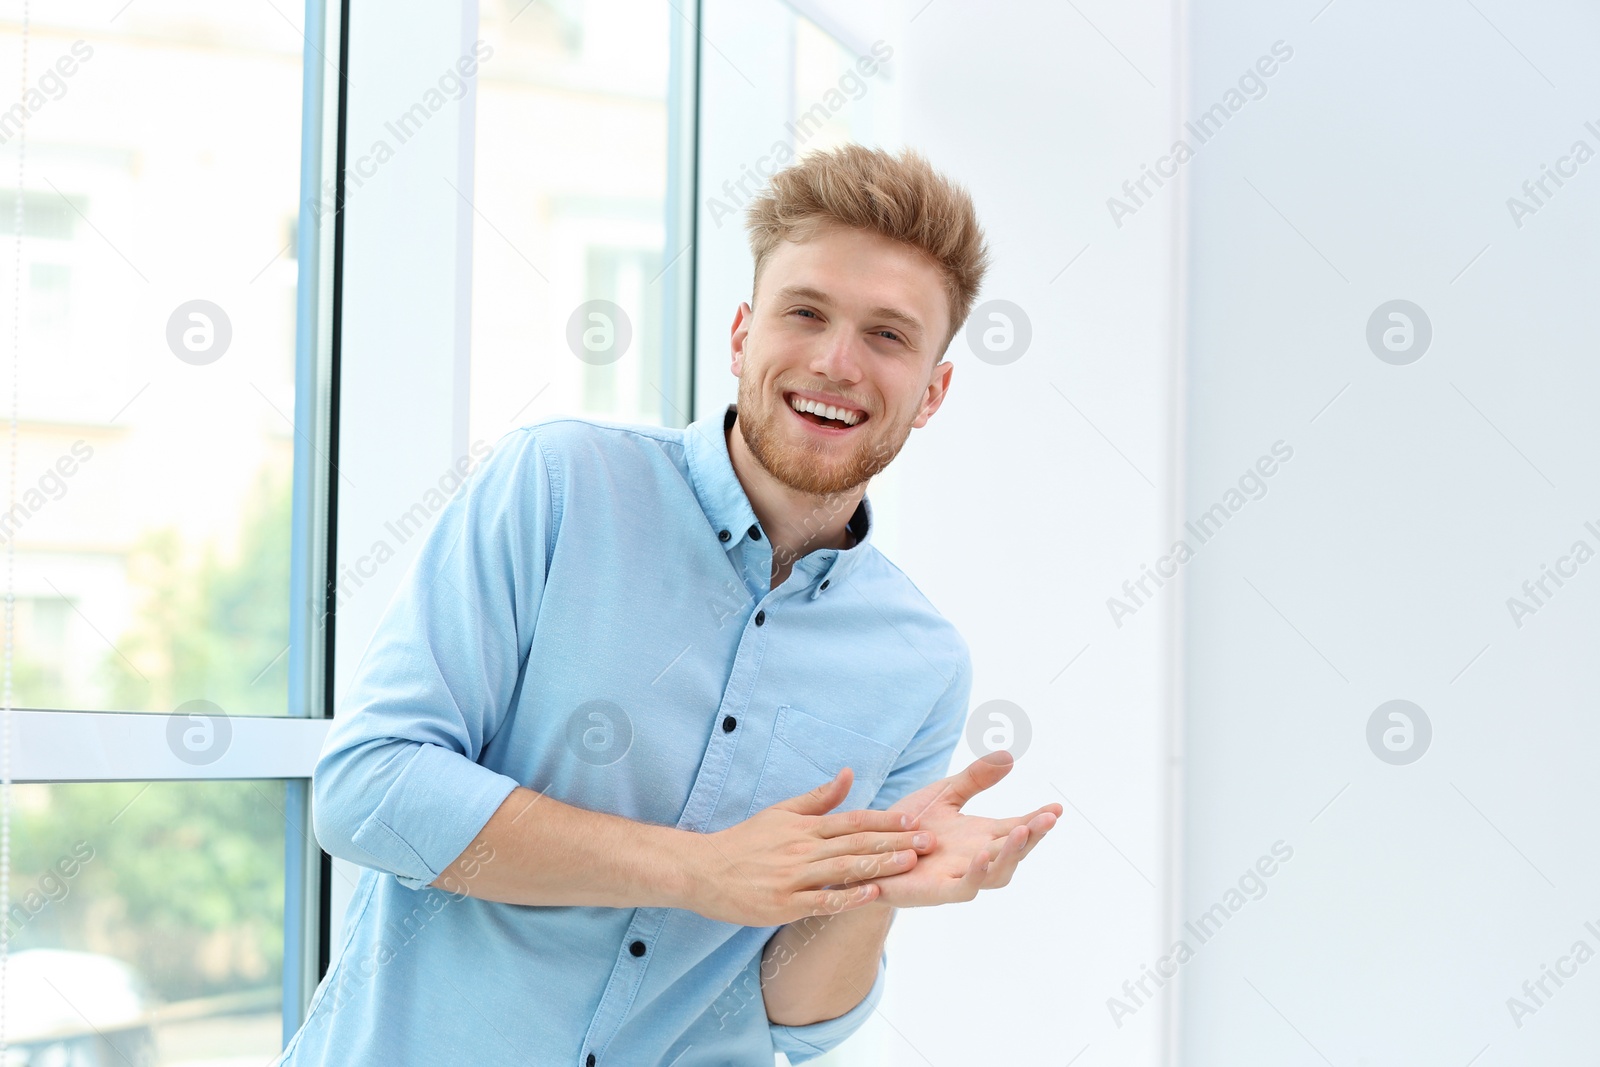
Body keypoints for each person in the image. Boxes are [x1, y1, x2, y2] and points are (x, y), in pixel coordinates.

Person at [276, 142, 1061, 1067]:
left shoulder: (922, 664)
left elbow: (793, 1018)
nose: (838, 361)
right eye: (804, 312)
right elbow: (369, 790)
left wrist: (879, 880)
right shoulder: (559, 487)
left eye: (888, 335)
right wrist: (699, 870)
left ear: (932, 391)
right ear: (741, 334)